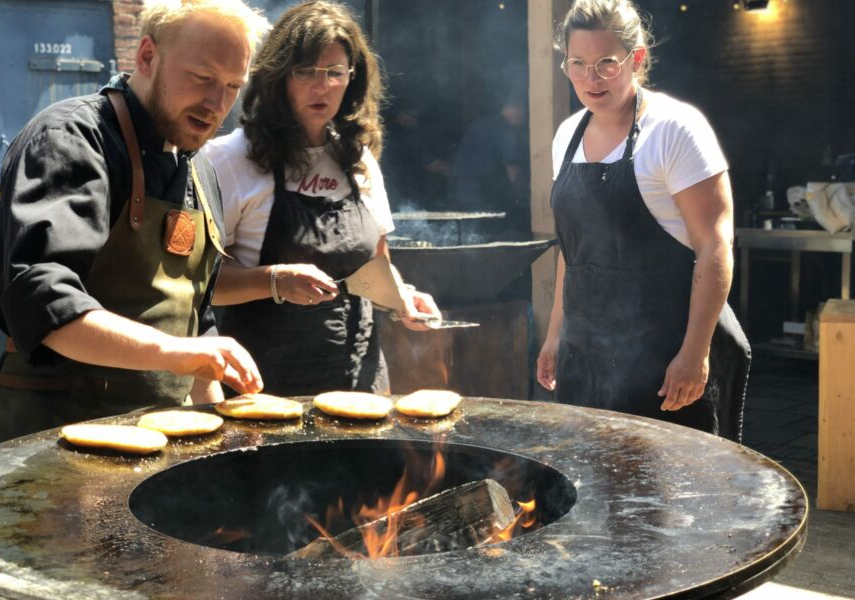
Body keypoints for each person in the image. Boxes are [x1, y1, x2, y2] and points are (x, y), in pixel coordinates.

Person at [0, 0, 269, 446]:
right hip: (51, 436)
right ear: (147, 56)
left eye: (233, 85)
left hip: (158, 440)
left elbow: (196, 328)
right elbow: (43, 301)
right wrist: (173, 352)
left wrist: (220, 439)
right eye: (202, 77)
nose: (217, 104)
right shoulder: (72, 139)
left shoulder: (201, 170)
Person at [535, 0, 750, 440]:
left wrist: (694, 353)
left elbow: (715, 246)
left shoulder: (674, 130)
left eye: (606, 63)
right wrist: (557, 334)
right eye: (578, 64)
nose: (591, 79)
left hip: (664, 357)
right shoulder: (566, 135)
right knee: (585, 476)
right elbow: (573, 252)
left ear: (636, 59)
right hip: (587, 355)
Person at [202, 0, 440, 397]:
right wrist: (276, 281)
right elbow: (200, 283)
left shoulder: (358, 158)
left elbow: (378, 262)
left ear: (352, 79)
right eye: (305, 71)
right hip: (266, 391)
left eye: (334, 72)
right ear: (278, 75)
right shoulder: (229, 159)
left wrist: (403, 298)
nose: (322, 86)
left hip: (362, 385)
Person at [449, 94, 529, 227]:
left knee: (467, 233)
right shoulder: (505, 129)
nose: (524, 118)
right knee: (485, 233)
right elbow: (513, 173)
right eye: (524, 113)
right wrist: (524, 194)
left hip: (459, 191)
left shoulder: (477, 124)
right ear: (517, 109)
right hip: (482, 194)